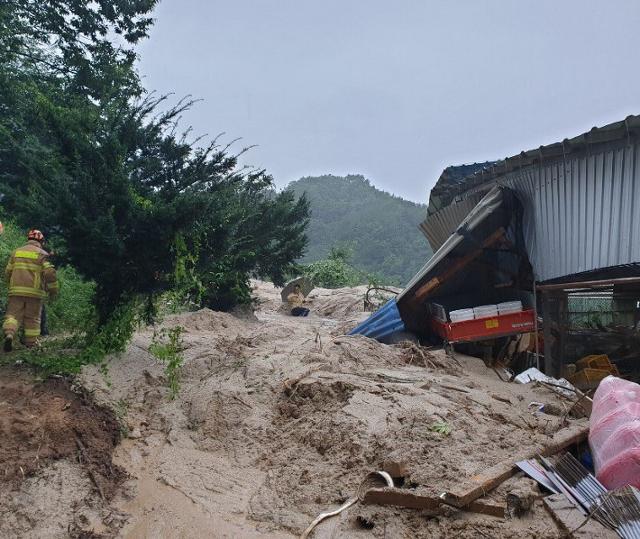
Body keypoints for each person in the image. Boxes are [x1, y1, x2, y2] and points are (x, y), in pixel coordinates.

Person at [3, 230, 58, 351]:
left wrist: (10, 285)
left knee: (12, 316)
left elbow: (8, 272)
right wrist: (53, 290)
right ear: (41, 241)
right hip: (34, 293)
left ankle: (9, 334)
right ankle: (31, 344)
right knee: (32, 319)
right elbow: (50, 272)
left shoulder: (16, 252)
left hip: (16, 291)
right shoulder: (43, 254)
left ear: (28, 239)